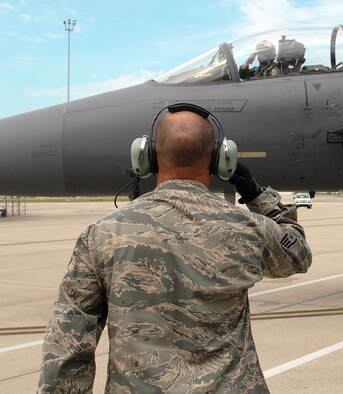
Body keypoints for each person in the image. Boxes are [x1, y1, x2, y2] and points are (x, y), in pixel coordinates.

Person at [38, 108, 312, 393]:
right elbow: (298, 255)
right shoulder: (248, 228)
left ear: (147, 158)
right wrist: (258, 197)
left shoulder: (103, 235)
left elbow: (67, 344)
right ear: (221, 160)